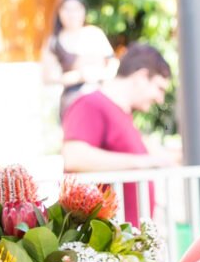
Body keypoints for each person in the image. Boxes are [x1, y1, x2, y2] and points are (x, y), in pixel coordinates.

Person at [61, 43, 177, 223]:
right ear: (142, 76)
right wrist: (143, 163)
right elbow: (74, 156)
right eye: (159, 88)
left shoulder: (122, 113)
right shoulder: (91, 104)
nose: (160, 98)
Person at [37, 0, 114, 112]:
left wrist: (101, 74)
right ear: (59, 13)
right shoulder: (54, 42)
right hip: (73, 98)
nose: (72, 14)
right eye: (67, 9)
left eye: (77, 9)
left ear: (84, 11)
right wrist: (79, 76)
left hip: (101, 93)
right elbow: (48, 78)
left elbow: (113, 63)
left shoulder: (94, 33)